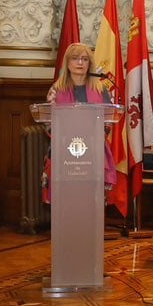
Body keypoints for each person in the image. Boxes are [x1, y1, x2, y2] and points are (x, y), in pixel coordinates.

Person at [43, 40, 115, 202]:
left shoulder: (101, 89)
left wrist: (92, 137)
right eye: (75, 58)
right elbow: (48, 123)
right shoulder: (57, 90)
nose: (80, 63)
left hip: (94, 151)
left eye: (85, 59)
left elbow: (109, 120)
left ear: (90, 63)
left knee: (90, 201)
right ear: (67, 63)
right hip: (63, 150)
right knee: (67, 201)